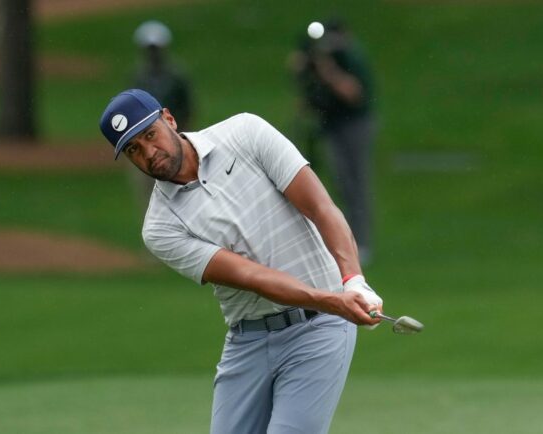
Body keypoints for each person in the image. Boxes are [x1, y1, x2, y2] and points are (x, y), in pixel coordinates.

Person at [99, 89, 384, 434]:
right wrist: (333, 300)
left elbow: (321, 208)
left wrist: (353, 281)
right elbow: (252, 277)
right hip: (248, 340)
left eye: (150, 135)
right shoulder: (160, 228)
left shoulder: (244, 133)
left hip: (318, 329)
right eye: (134, 150)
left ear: (170, 119)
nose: (149, 153)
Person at [288, 19, 376, 264]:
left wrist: (327, 69)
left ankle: (361, 242)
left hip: (354, 125)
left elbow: (352, 92)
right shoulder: (318, 55)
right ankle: (338, 240)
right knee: (338, 183)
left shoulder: (350, 57)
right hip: (332, 125)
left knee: (354, 183)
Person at [128, 20, 194, 206]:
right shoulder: (138, 77)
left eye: (155, 48)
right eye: (149, 49)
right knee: (150, 198)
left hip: (174, 139)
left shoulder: (176, 76)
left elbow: (187, 109)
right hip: (144, 145)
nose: (153, 53)